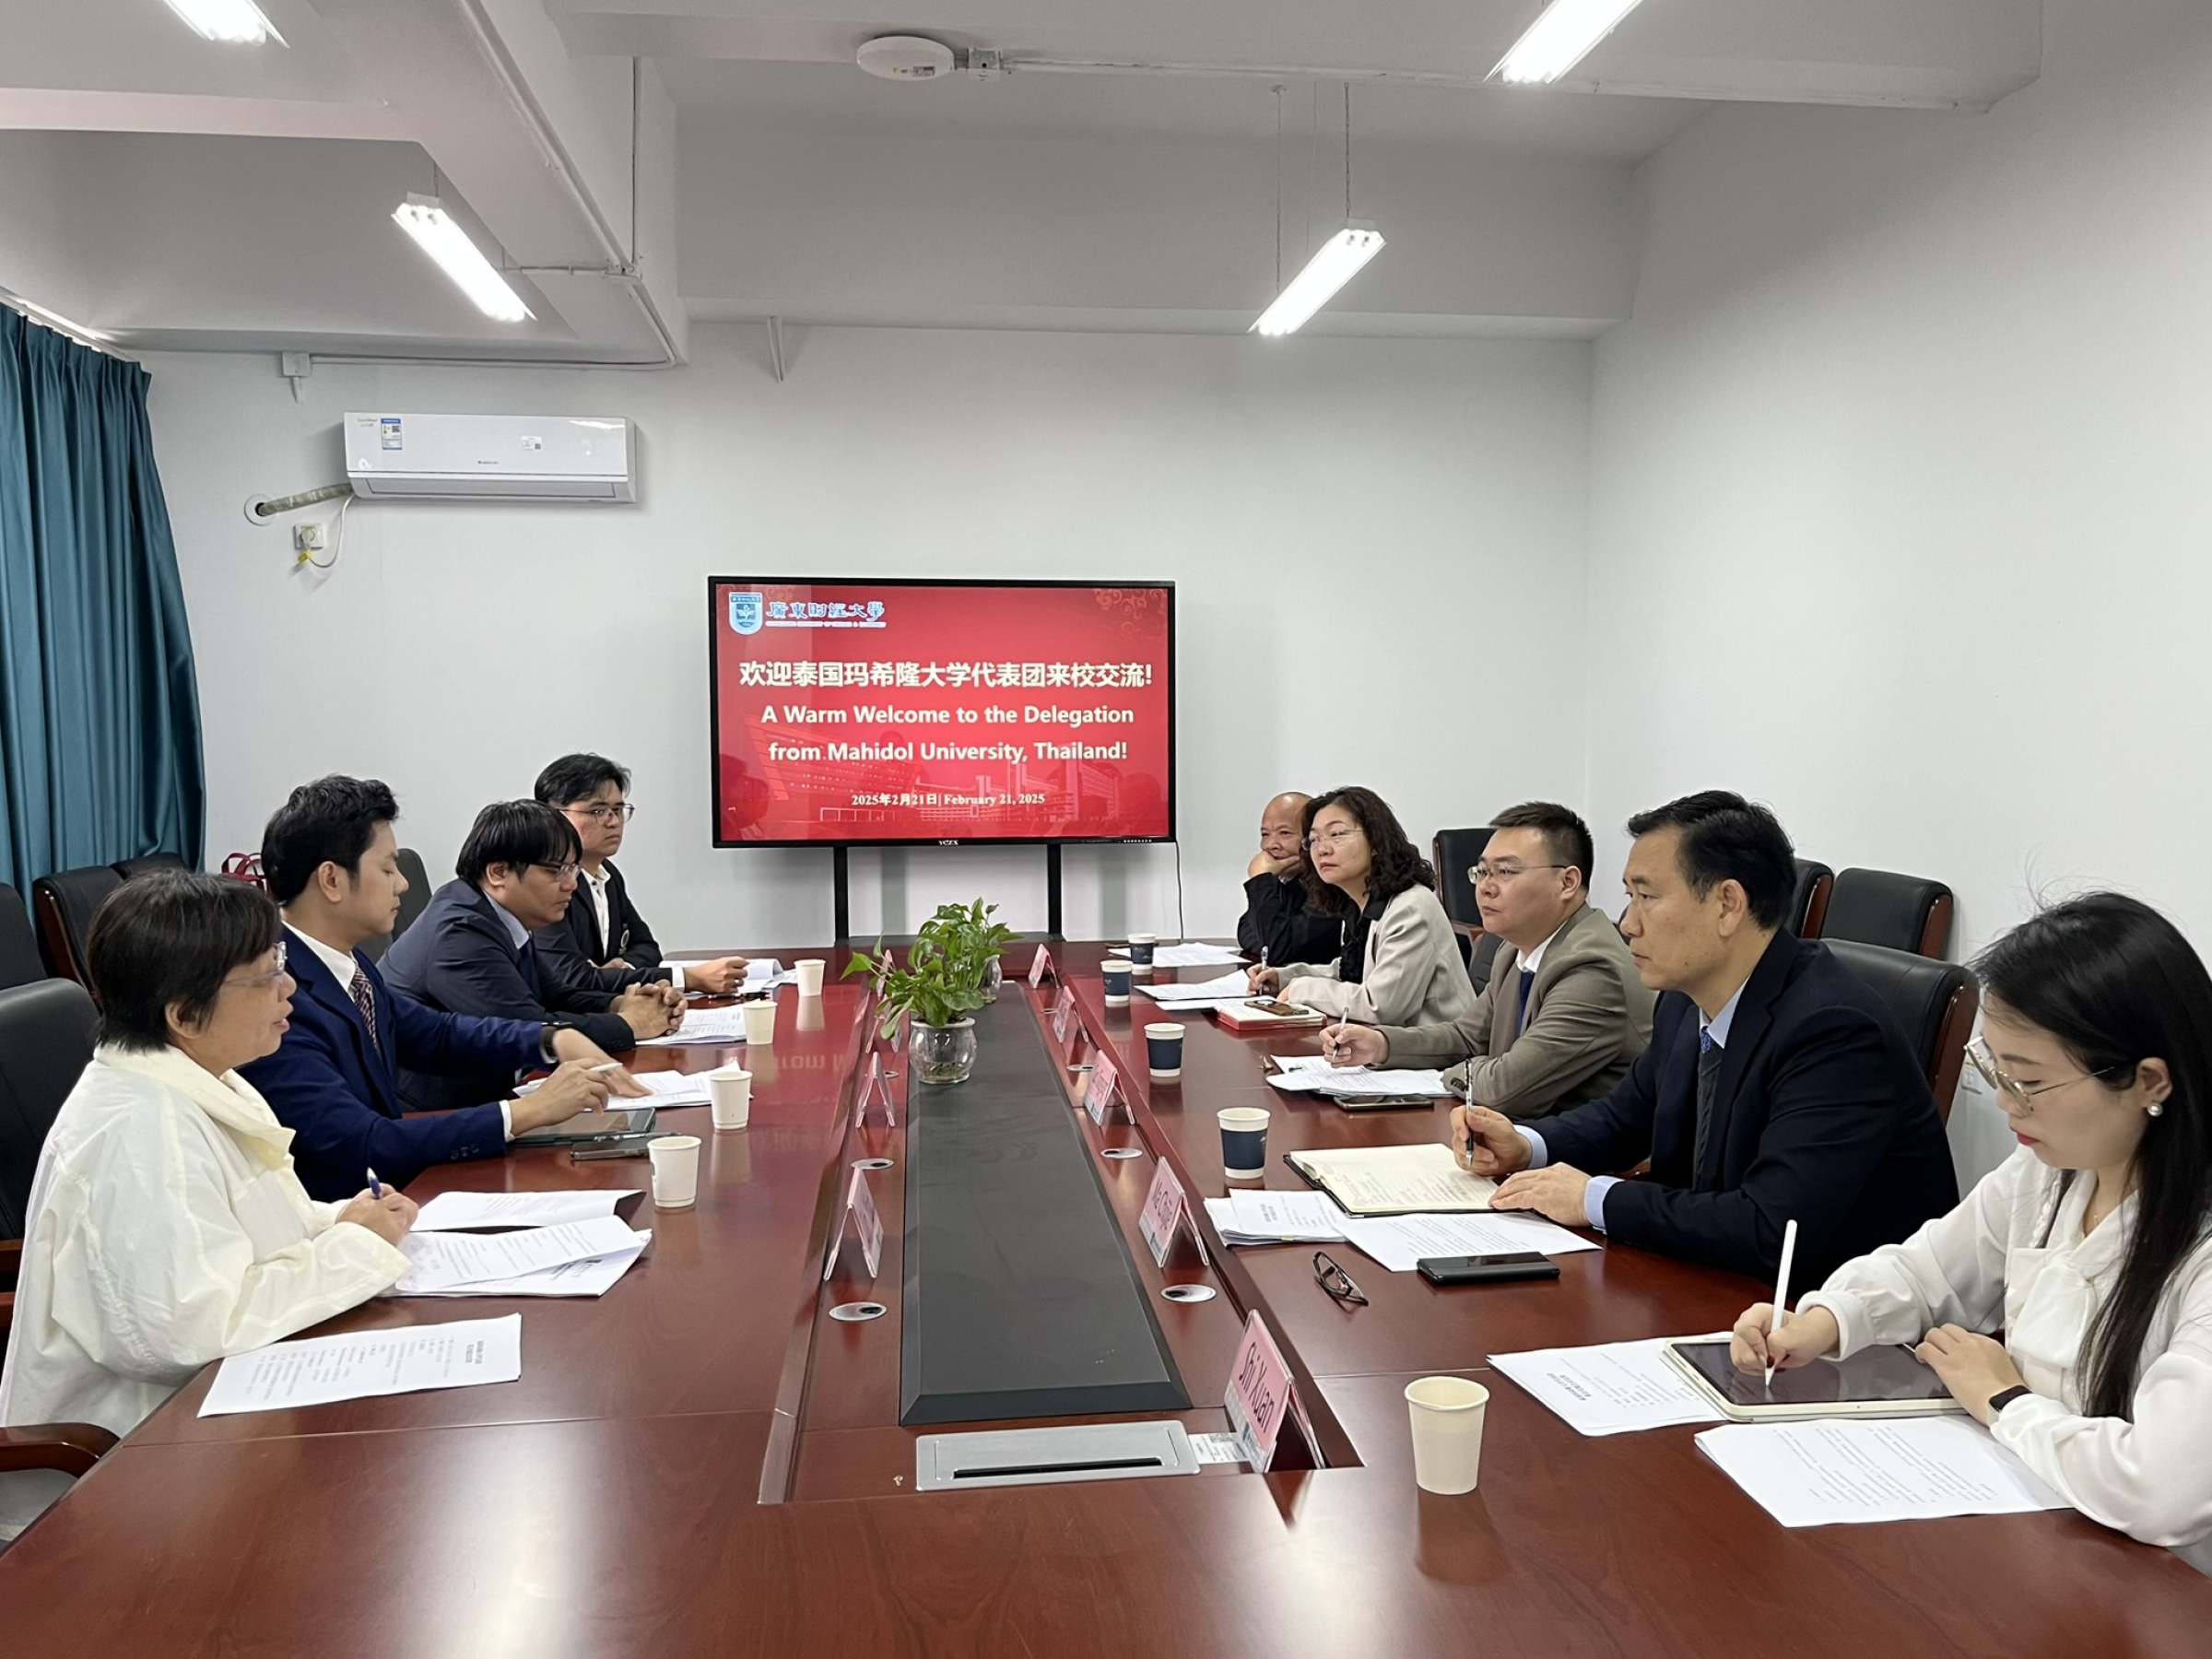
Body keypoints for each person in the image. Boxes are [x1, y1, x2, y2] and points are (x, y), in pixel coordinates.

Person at [1731, 893, 2212, 1571]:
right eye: (1998, 1071)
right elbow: (1925, 1272)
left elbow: (2162, 1491)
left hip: (2162, 1582)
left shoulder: (2196, 1244)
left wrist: (2006, 1401)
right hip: (2047, 1531)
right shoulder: (2049, 1171)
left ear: (2149, 1081)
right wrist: (1823, 1320)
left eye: (2030, 1082)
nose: (2008, 1105)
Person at [0, 873, 417, 1540]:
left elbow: (257, 1224)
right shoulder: (138, 1131)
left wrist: (341, 1217)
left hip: (214, 1427)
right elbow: (191, 1330)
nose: (290, 988)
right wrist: (356, 1246)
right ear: (184, 1014)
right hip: (124, 1479)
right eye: (266, 975)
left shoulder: (200, 1079)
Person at [1453, 791, 1956, 1283]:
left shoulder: (1833, 1031)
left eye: (1647, 896)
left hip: (1822, 1311)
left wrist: (1594, 1198)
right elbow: (1625, 1118)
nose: (1628, 924)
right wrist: (1527, 1145)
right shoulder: (1684, 998)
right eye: (1629, 897)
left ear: (1727, 905)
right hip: (1706, 1278)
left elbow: (1770, 1227)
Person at [241, 776, 649, 1202]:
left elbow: (435, 1033)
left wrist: (550, 1039)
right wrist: (527, 1111)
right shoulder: (273, 994)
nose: (402, 884)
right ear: (331, 880)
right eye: (387, 868)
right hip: (348, 1216)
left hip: (393, 1193)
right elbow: (360, 1142)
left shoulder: (347, 963)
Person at [1323, 802, 1653, 1119]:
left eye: (1505, 872)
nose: (1485, 888)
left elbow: (1505, 1089)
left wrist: (1455, 1073)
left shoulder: (1592, 968)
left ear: (1567, 882)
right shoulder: (1514, 949)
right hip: (1517, 1133)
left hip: (1577, 1150)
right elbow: (1466, 1037)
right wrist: (1380, 1045)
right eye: (1481, 872)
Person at [380, 801, 684, 1113]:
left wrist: (620, 1003)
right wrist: (628, 1023)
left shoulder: (497, 911)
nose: (571, 884)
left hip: (490, 1096)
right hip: (433, 1113)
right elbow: (526, 1024)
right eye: (556, 871)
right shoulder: (460, 932)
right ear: (498, 872)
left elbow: (556, 992)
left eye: (573, 869)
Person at [1247, 786, 1475, 1028]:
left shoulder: (1411, 908)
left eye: (1336, 834)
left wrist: (1301, 989)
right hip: (1387, 1041)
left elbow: (1381, 1006)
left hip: (1438, 1047)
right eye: (1314, 839)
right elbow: (1351, 972)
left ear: (1375, 841)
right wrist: (1284, 977)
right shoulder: (1359, 903)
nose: (1322, 849)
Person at [532, 753, 750, 996]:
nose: (613, 822)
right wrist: (689, 978)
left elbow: (647, 947)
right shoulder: (546, 884)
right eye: (597, 811)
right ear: (554, 815)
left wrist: (623, 969)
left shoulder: (608, 874)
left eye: (618, 809)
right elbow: (571, 978)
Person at [1237, 791, 1339, 971]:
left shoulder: (1329, 885)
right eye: (1265, 834)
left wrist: (1260, 879)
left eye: (1284, 833)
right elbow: (1244, 931)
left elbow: (1274, 949)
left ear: (1312, 838)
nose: (1271, 845)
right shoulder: (1288, 880)